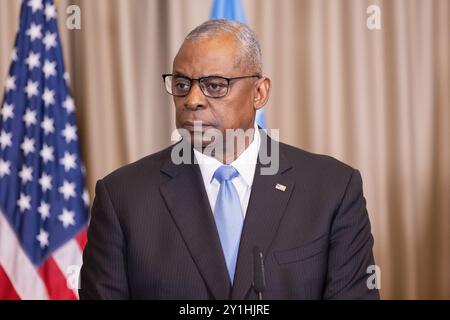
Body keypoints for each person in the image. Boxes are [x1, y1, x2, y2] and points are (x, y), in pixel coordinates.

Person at [79, 19, 379, 300]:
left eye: (214, 85)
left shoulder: (333, 189)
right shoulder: (122, 197)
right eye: (182, 84)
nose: (192, 100)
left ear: (259, 93)